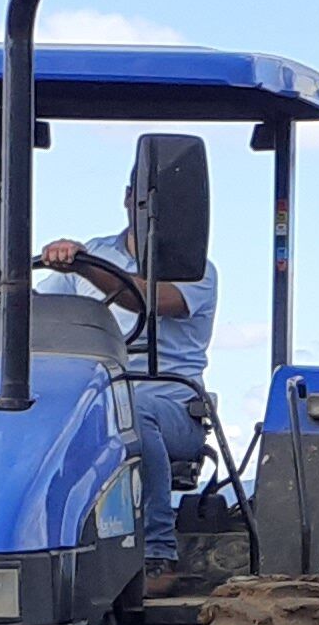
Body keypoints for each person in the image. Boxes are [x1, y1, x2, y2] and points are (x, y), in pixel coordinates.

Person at [38, 165, 216, 566]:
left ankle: (157, 550)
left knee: (131, 414)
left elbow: (151, 301)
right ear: (127, 198)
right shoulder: (94, 254)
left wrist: (84, 266)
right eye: (146, 199)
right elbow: (32, 311)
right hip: (90, 403)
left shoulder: (197, 270)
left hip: (169, 408)